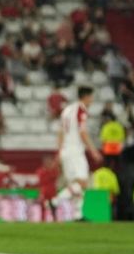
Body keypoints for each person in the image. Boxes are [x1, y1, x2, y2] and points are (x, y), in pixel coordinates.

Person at [57, 86, 101, 221]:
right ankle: (55, 201)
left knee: (75, 184)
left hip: (65, 150)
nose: (92, 101)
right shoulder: (81, 109)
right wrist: (93, 151)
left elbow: (60, 132)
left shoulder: (66, 110)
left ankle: (78, 214)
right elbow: (83, 132)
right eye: (91, 97)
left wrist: (59, 151)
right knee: (82, 182)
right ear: (86, 97)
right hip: (75, 150)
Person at [36, 156, 60, 222]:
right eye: (46, 162)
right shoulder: (40, 171)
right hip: (44, 191)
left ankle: (55, 219)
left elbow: (55, 176)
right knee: (43, 206)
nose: (48, 163)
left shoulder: (54, 170)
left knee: (54, 206)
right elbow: (41, 181)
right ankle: (42, 219)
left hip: (52, 191)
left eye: (49, 162)